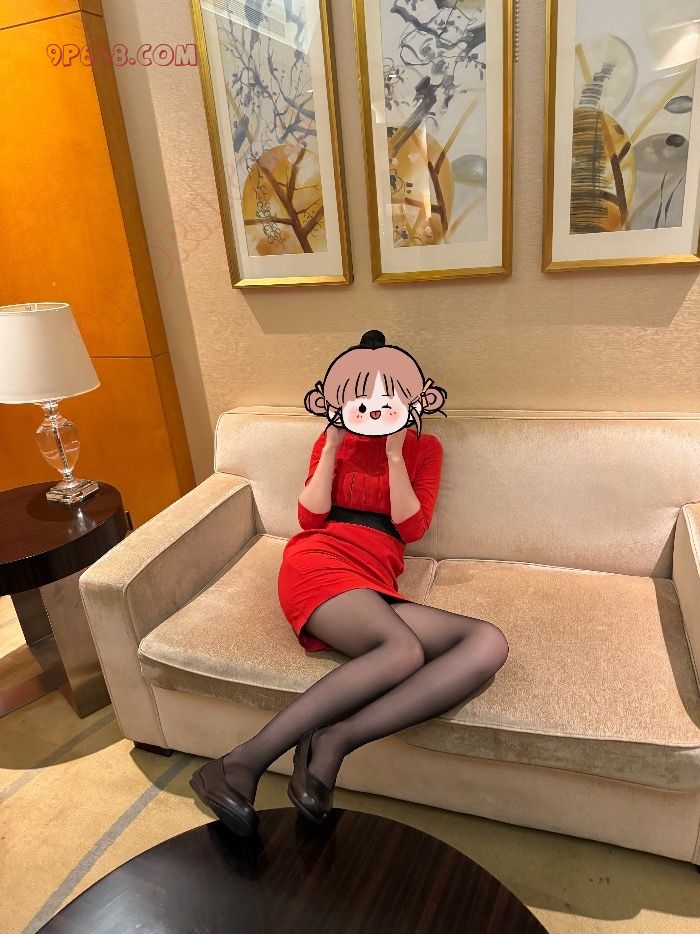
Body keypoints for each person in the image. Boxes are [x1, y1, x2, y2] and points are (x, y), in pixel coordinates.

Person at [190, 330, 509, 835]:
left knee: (487, 642)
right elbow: (308, 517)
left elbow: (411, 527)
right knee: (403, 651)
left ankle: (333, 739)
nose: (375, 408)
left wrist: (396, 456)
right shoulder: (331, 441)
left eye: (388, 397)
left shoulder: (425, 448)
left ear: (410, 399)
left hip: (374, 577)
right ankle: (240, 763)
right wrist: (333, 444)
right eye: (361, 398)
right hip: (319, 559)